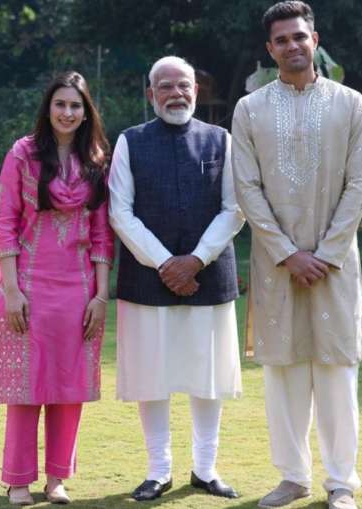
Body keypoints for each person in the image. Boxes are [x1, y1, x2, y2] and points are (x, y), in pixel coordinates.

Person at [230, 2, 362, 509]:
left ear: (315, 39)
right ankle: (293, 477)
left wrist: (326, 252)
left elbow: (359, 185)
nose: (292, 45)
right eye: (281, 40)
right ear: (270, 50)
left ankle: (341, 484)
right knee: (284, 374)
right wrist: (289, 254)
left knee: (336, 373)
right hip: (277, 266)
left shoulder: (351, 104)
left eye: (299, 36)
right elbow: (246, 187)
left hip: (335, 266)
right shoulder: (249, 109)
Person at [108, 56, 245, 501]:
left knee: (208, 376)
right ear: (151, 94)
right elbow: (119, 212)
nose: (175, 93)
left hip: (209, 276)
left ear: (196, 90)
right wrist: (167, 262)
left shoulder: (221, 140)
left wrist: (196, 260)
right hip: (148, 279)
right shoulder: (130, 142)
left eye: (183, 85)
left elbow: (235, 208)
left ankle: (205, 469)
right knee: (152, 375)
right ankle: (158, 470)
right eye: (164, 86)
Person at [0, 71, 114, 506]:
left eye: (75, 105)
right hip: (27, 284)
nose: (67, 112)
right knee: (25, 387)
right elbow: (3, 221)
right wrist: (11, 290)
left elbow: (101, 234)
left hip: (77, 289)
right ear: (48, 108)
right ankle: (18, 480)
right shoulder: (23, 154)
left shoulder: (97, 159)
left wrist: (100, 296)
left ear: (86, 112)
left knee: (68, 386)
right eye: (60, 104)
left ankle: (57, 478)